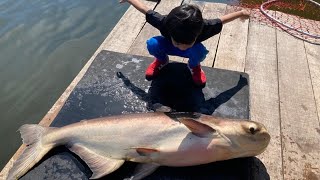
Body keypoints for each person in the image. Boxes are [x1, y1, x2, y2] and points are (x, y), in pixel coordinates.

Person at [119, 0, 250, 87]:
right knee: (153, 43)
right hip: (168, 46)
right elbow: (145, 9)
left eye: (187, 43)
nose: (181, 47)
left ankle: (194, 66)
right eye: (178, 42)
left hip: (191, 52)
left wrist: (241, 13)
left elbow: (222, 20)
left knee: (199, 51)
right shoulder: (164, 23)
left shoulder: (203, 27)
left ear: (197, 34)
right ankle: (161, 60)